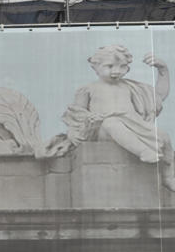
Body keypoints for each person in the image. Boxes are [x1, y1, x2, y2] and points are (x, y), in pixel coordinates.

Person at [64, 46, 175, 191]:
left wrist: (163, 70)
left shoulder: (131, 87)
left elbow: (158, 96)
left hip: (134, 125)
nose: (116, 71)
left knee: (163, 136)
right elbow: (77, 113)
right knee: (112, 123)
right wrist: (83, 123)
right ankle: (143, 151)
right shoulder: (88, 89)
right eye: (109, 66)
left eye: (122, 67)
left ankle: (168, 176)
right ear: (95, 67)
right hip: (103, 128)